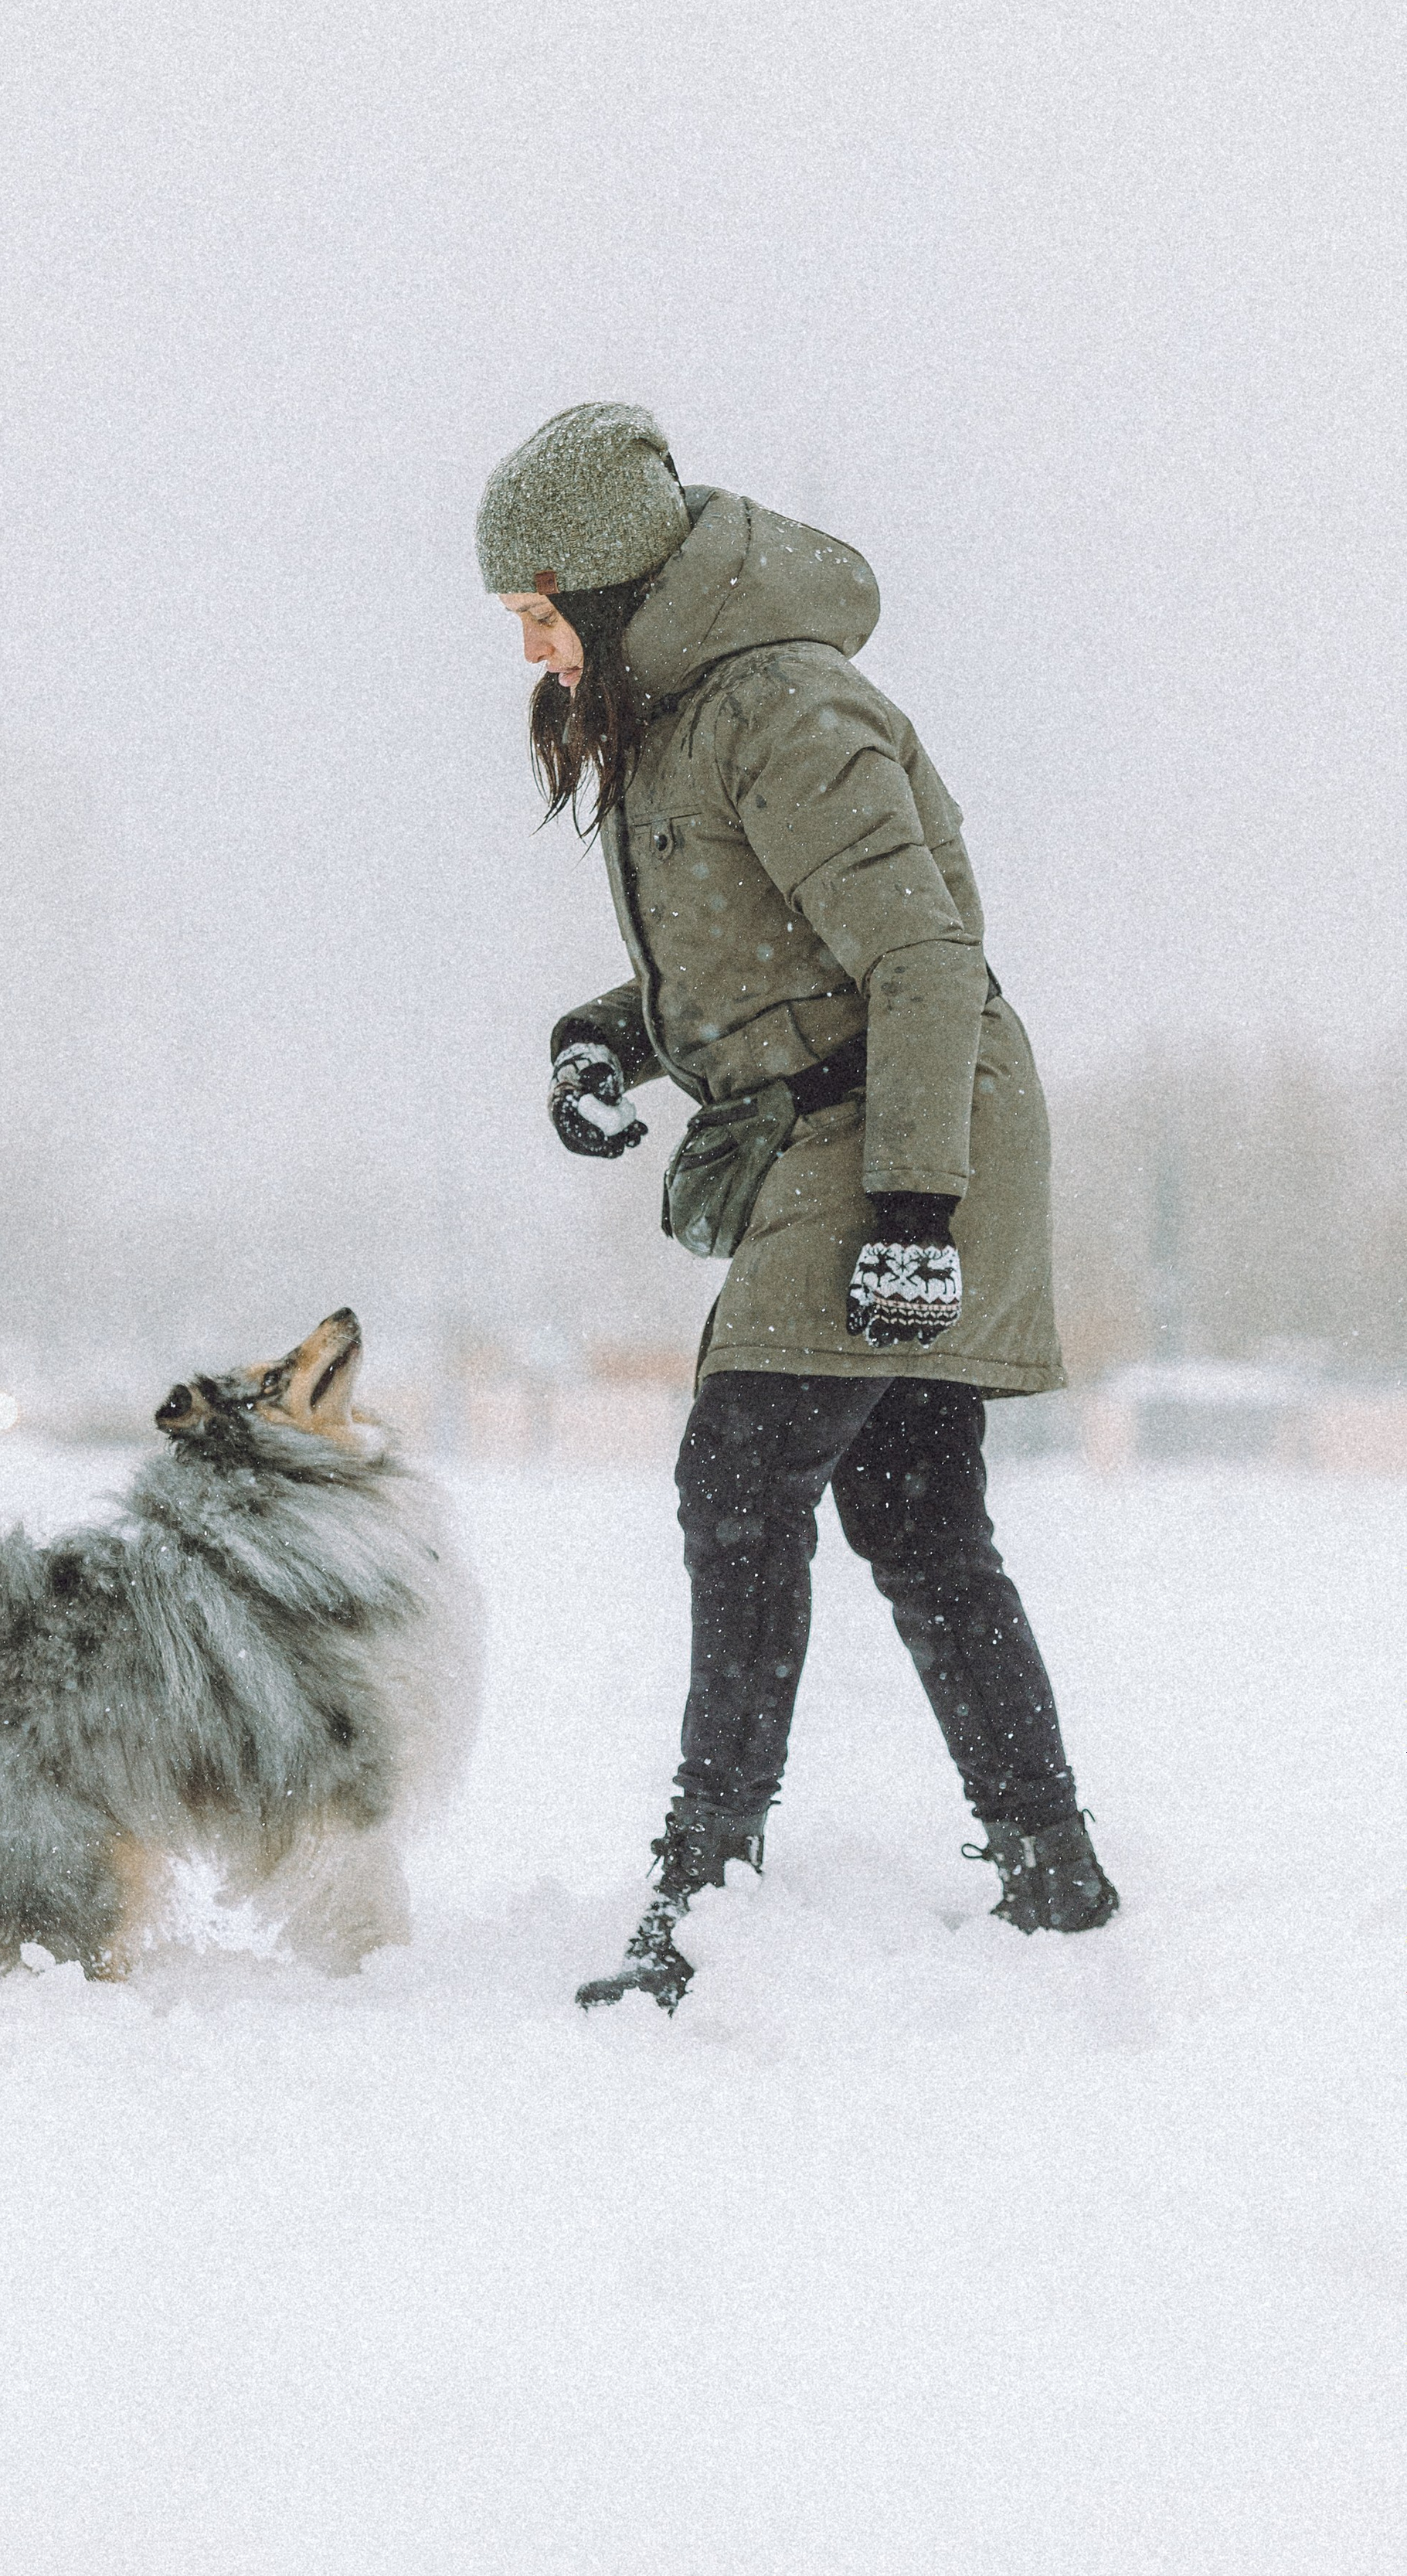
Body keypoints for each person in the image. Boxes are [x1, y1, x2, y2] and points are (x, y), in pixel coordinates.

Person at [479, 401, 1117, 2013]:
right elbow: (748, 966)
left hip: (903, 1126)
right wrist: (605, 1040)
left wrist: (912, 1210)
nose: (531, 650)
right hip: (851, 1126)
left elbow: (920, 960)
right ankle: (1051, 1867)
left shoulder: (782, 705)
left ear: (609, 585)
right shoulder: (678, 718)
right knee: (911, 1510)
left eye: (542, 612)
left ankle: (702, 1899)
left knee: (741, 1475)